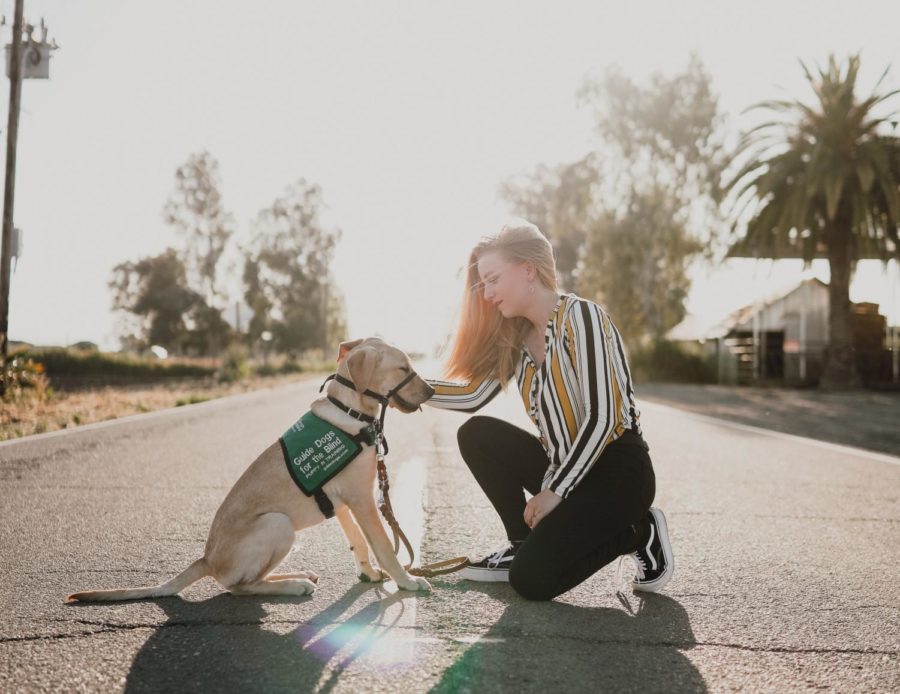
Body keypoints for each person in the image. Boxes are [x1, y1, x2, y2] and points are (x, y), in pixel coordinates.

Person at [422, 221, 673, 601]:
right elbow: (471, 397)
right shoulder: (516, 341)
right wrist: (395, 387)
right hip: (566, 467)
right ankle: (521, 543)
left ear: (527, 270)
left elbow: (603, 417)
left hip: (618, 473)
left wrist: (555, 490)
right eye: (483, 285)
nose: (487, 294)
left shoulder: (582, 317)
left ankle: (639, 531)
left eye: (492, 279)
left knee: (532, 581)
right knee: (477, 434)